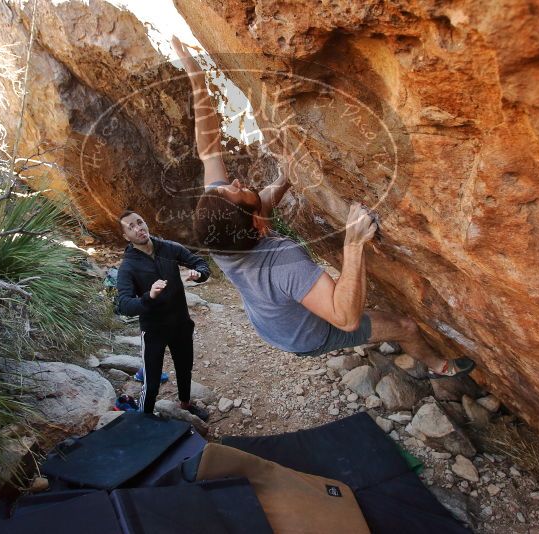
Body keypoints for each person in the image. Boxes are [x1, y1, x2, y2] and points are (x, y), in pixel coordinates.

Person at [171, 37, 474, 379]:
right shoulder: (284, 262)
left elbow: (209, 149)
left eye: (227, 186)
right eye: (236, 191)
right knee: (404, 325)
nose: (236, 182)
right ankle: (440, 366)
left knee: (264, 200)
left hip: (272, 320)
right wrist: (353, 242)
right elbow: (345, 317)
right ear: (257, 225)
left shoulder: (220, 232)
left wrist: (196, 78)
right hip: (308, 335)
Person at [115, 209, 211, 421]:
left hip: (181, 324)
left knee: (184, 369)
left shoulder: (168, 248)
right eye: (131, 227)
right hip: (154, 331)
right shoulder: (128, 267)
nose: (138, 228)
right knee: (152, 381)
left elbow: (200, 263)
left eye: (139, 222)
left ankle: (185, 404)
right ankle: (144, 420)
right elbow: (124, 304)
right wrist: (149, 296)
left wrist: (199, 274)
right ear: (126, 237)